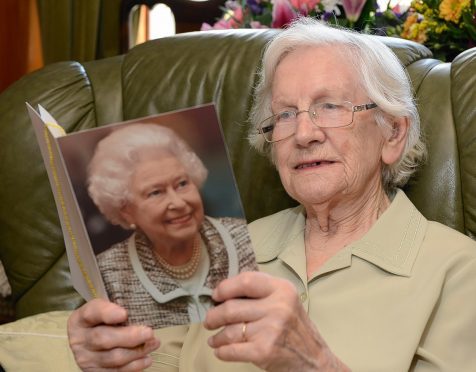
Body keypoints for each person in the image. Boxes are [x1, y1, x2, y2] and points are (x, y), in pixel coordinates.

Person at [67, 18, 476, 371]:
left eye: (330, 106)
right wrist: (113, 358)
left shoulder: (456, 272)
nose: (303, 134)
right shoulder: (222, 247)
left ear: (393, 133)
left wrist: (313, 364)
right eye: (284, 114)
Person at [86, 124, 257, 329]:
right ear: (126, 210)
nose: (178, 203)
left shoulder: (246, 238)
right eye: (156, 192)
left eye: (182, 184)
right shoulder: (108, 276)